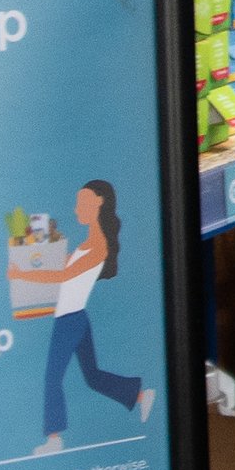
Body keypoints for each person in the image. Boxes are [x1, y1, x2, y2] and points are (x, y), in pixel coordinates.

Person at [31, 179, 150, 452]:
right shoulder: (88, 244)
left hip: (69, 320)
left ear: (98, 202)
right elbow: (63, 267)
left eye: (80, 203)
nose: (75, 210)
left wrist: (20, 274)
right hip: (76, 318)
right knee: (93, 376)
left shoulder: (98, 246)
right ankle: (140, 395)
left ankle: (54, 439)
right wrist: (45, 246)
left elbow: (62, 276)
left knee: (53, 378)